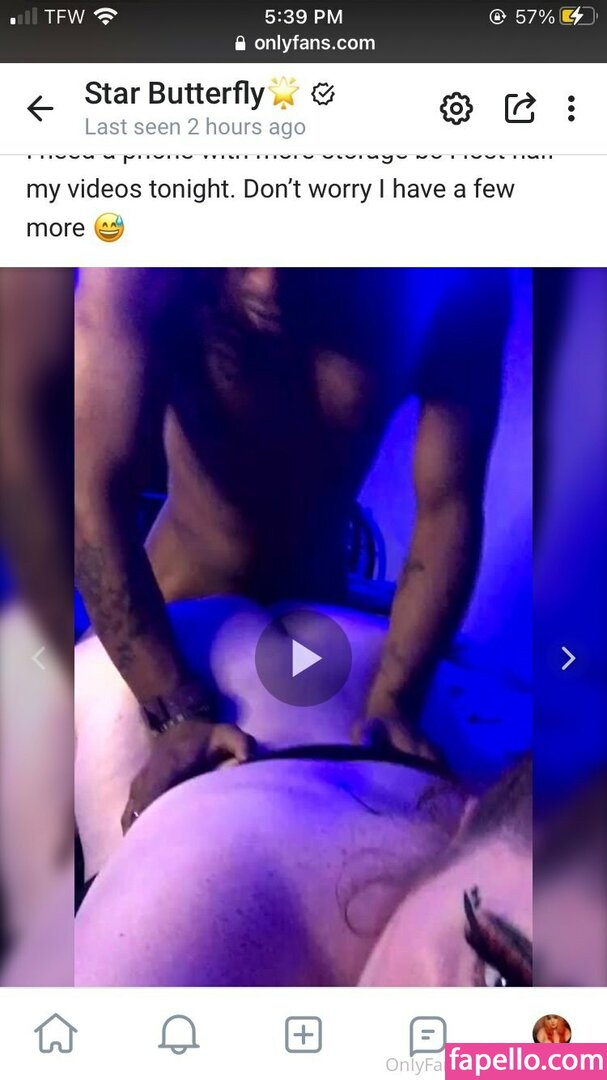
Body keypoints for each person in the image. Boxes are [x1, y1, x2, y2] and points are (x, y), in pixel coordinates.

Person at [75, 268, 509, 841]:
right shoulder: (139, 268)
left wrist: (396, 698)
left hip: (325, 612)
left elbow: (448, 508)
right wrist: (171, 705)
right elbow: (91, 491)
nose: (266, 282)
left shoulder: (459, 285)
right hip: (171, 612)